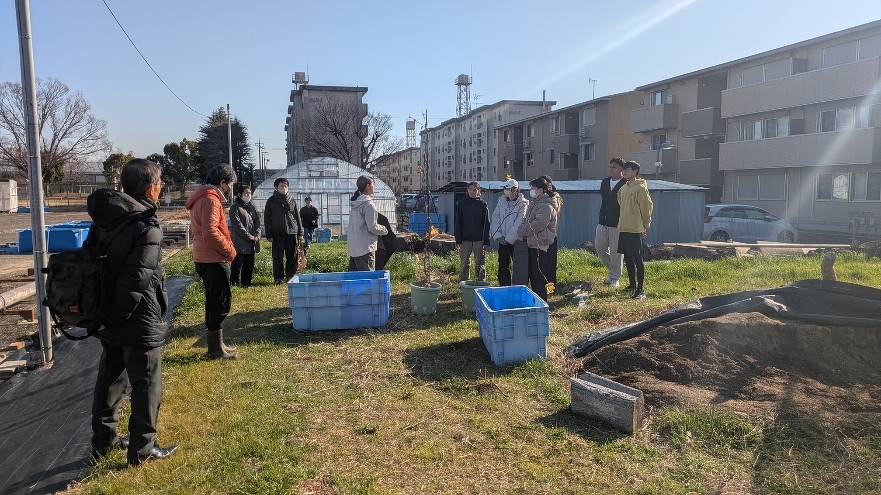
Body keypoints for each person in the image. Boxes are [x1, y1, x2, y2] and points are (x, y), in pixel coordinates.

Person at [88, 158, 177, 465]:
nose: (161, 188)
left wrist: (103, 319)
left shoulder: (105, 219)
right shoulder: (147, 226)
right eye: (160, 183)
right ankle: (142, 447)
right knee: (147, 384)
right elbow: (135, 280)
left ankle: (103, 440)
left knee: (110, 380)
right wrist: (116, 316)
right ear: (151, 188)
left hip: (105, 315)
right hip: (137, 317)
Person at [185, 164, 238, 359]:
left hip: (203, 257)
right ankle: (215, 350)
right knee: (221, 303)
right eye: (230, 184)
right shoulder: (211, 200)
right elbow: (210, 232)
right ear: (222, 183)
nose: (230, 188)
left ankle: (217, 345)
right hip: (214, 259)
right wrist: (230, 250)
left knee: (213, 301)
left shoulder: (201, 197)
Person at [516, 176, 559, 302]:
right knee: (533, 276)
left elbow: (538, 225)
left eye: (533, 188)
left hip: (540, 244)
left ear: (540, 190)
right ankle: (535, 301)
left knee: (538, 276)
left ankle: (541, 302)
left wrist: (522, 232)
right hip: (532, 243)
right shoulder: (535, 202)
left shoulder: (546, 205)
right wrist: (521, 229)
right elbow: (526, 220)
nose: (532, 190)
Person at [617, 160, 654, 300]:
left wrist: (645, 224)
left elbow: (646, 208)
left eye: (628, 169)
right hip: (623, 228)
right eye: (624, 169)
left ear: (635, 171)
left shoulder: (641, 188)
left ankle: (640, 289)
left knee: (637, 259)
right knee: (627, 258)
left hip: (635, 229)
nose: (624, 172)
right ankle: (632, 285)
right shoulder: (623, 188)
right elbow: (620, 201)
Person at [264, 178, 304, 284]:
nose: (284, 188)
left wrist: (300, 232)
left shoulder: (292, 200)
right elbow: (267, 218)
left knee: (292, 256)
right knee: (278, 257)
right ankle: (278, 278)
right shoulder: (271, 201)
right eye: (282, 186)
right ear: (276, 188)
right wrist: (269, 234)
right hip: (277, 233)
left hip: (291, 232)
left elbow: (297, 217)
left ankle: (290, 276)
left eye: (286, 186)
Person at [489, 178, 528, 286]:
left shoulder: (523, 204)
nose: (505, 191)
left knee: (518, 265)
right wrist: (499, 236)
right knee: (503, 264)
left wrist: (509, 239)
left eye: (507, 188)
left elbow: (519, 222)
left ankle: (517, 286)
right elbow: (495, 218)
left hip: (516, 240)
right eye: (504, 188)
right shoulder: (501, 201)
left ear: (515, 190)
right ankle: (504, 286)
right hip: (503, 240)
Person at [596, 158, 626, 287]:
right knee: (599, 248)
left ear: (621, 169)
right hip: (602, 221)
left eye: (614, 167)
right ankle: (614, 269)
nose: (611, 169)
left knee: (616, 252)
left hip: (617, 223)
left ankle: (615, 277)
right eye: (610, 167)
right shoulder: (605, 182)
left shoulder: (625, 183)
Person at [347, 175, 388, 271]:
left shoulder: (356, 202)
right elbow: (372, 227)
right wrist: (384, 230)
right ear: (367, 186)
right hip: (365, 247)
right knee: (367, 276)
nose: (374, 186)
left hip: (354, 245)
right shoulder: (368, 204)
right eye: (373, 184)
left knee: (353, 276)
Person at [454, 181, 490, 282]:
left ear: (478, 191)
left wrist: (486, 240)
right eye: (470, 189)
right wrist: (458, 239)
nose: (472, 192)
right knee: (465, 262)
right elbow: (458, 222)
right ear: (467, 190)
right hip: (465, 239)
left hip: (479, 238)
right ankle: (463, 282)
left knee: (480, 262)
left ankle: (480, 282)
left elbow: (486, 223)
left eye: (474, 190)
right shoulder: (461, 204)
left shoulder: (483, 204)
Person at [229, 185, 261, 287]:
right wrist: (249, 236)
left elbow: (257, 222)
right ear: (240, 195)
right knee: (237, 264)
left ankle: (246, 284)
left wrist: (257, 235)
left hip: (252, 242)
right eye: (246, 193)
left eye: (249, 193)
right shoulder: (235, 207)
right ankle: (234, 284)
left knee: (249, 265)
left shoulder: (252, 206)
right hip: (239, 242)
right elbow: (238, 226)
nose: (248, 195)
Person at [540, 175, 561, 285]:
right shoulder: (543, 197)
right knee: (543, 263)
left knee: (549, 263)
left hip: (550, 234)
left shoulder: (554, 198)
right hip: (543, 234)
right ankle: (545, 286)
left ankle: (549, 287)